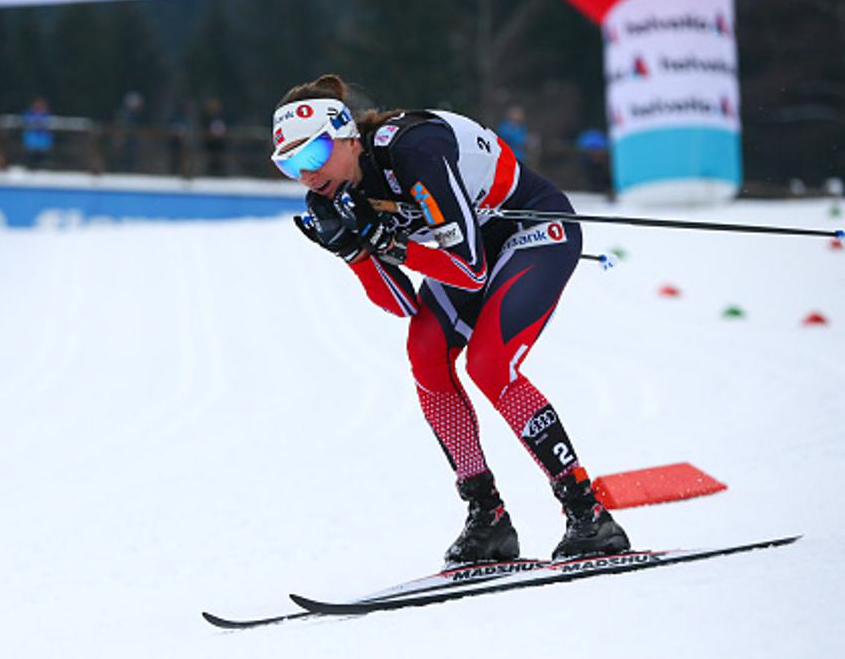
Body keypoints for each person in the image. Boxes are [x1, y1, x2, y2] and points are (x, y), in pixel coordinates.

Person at [269, 74, 629, 563]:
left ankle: (588, 513)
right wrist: (355, 251)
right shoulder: (333, 192)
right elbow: (400, 303)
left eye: (311, 156)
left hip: (531, 228)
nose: (306, 176)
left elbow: (470, 267)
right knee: (425, 353)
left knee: (489, 364)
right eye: (289, 165)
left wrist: (386, 241)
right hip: (465, 249)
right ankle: (489, 516)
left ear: (347, 136)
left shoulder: (415, 149)